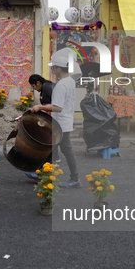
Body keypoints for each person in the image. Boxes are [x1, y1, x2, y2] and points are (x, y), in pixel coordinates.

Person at [30, 53, 82, 189]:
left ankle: (74, 178)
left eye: (53, 67)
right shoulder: (70, 81)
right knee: (51, 149)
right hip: (64, 122)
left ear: (59, 69)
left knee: (64, 150)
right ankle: (44, 174)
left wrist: (39, 107)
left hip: (60, 124)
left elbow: (58, 107)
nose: (52, 69)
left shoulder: (60, 85)